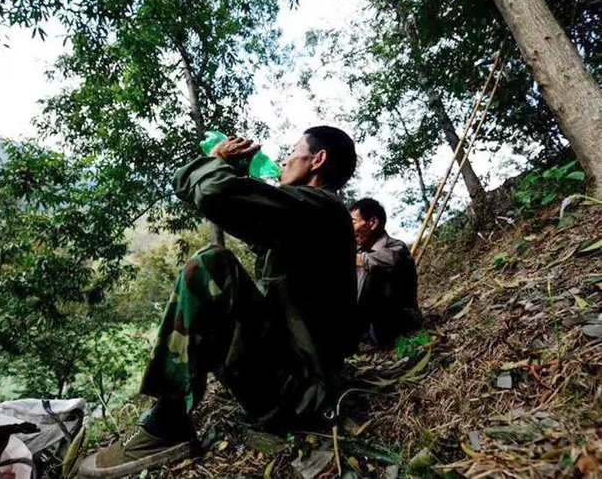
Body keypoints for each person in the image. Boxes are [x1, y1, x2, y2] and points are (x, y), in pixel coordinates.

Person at [81, 126, 358, 477]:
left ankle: (168, 423)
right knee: (219, 270)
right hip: (293, 384)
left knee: (212, 264)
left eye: (293, 151)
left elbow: (213, 191)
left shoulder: (321, 210)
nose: (285, 160)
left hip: (298, 397)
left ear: (317, 160)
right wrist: (226, 169)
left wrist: (219, 161)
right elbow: (201, 192)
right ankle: (170, 414)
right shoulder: (309, 216)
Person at [351, 198, 421, 347]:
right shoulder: (360, 251)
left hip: (399, 322)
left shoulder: (396, 248)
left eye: (353, 222)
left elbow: (371, 261)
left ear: (372, 223)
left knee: (370, 270)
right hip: (372, 327)